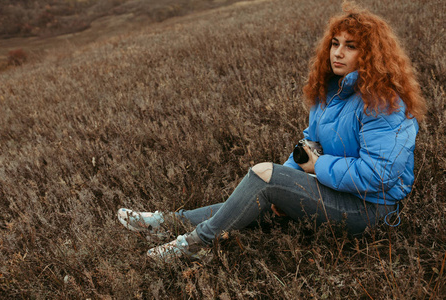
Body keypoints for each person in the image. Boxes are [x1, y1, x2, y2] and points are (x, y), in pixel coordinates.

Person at [117, 2, 426, 261]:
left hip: (371, 210)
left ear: (371, 54)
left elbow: (381, 175)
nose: (338, 53)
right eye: (335, 44)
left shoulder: (385, 104)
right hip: (335, 189)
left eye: (351, 46)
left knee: (263, 176)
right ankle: (166, 222)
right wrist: (288, 180)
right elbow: (309, 145)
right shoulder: (329, 93)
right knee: (261, 188)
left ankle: (195, 245)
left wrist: (316, 167)